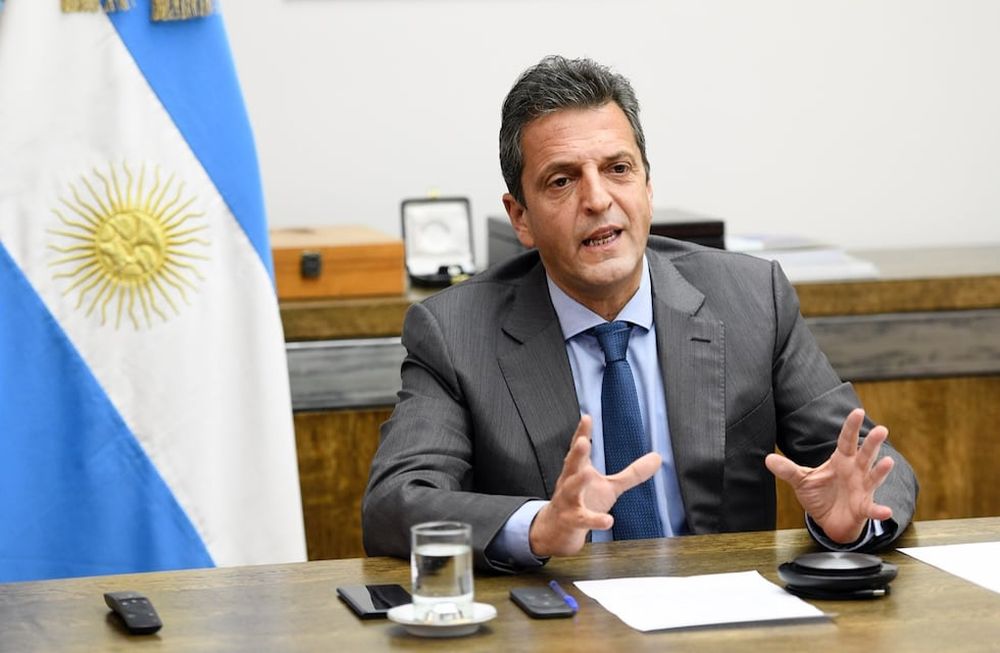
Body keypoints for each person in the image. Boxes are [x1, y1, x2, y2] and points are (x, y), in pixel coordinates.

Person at [362, 55, 918, 572]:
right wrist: (536, 527)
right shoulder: (456, 332)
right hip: (563, 618)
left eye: (618, 169)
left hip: (724, 614)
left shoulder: (751, 298)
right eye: (562, 180)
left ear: (648, 188)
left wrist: (853, 523)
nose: (597, 199)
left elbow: (869, 467)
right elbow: (395, 501)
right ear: (521, 218)